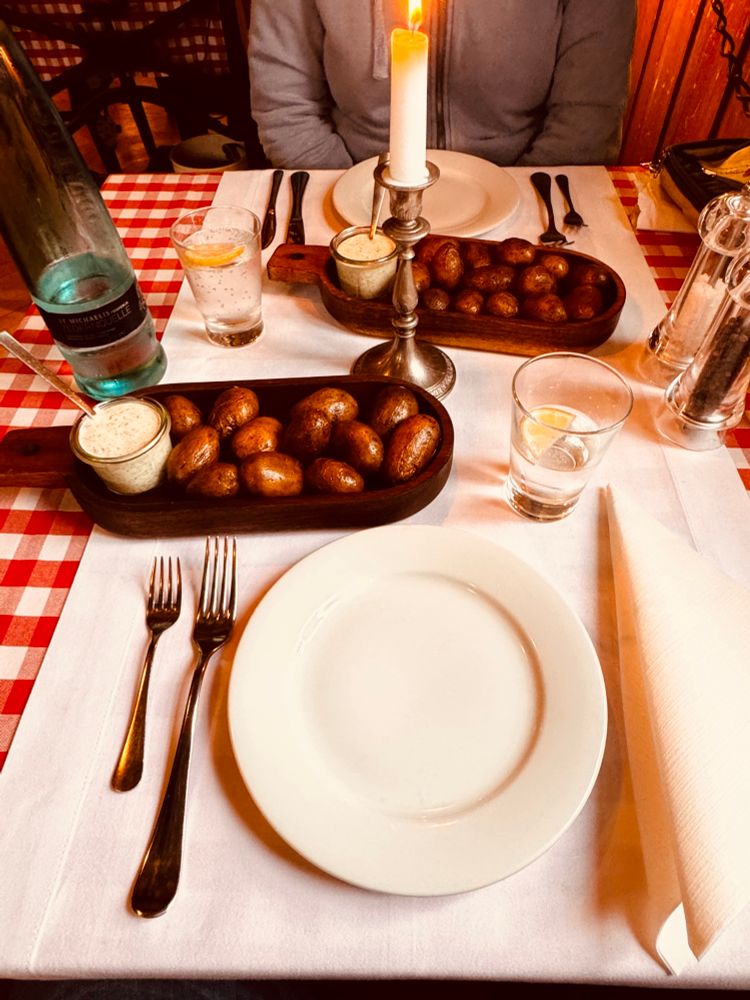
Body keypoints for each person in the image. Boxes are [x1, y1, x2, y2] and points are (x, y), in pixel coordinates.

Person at [249, 0, 636, 170]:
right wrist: (348, 194)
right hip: (352, 183)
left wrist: (520, 206)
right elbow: (285, 107)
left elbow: (587, 119)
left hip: (528, 191)